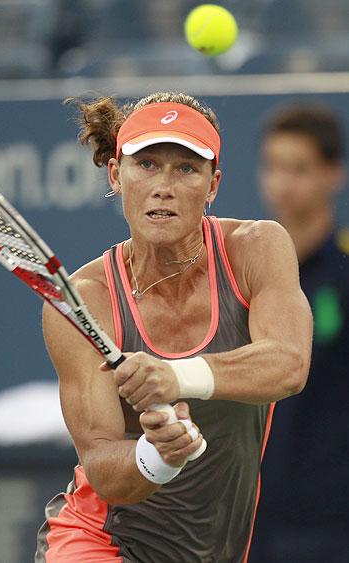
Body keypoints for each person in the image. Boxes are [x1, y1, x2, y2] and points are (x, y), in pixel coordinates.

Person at [35, 92, 313, 563]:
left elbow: (288, 364)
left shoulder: (256, 247)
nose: (163, 185)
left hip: (216, 548)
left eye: (186, 168)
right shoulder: (85, 299)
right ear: (115, 175)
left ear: (213, 186)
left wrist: (176, 375)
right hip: (101, 542)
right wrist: (157, 455)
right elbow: (102, 464)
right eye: (146, 164)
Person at [251, 103, 349, 562]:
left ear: (334, 175)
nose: (281, 184)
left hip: (332, 525)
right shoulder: (246, 276)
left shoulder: (344, 272)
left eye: (299, 169)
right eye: (272, 167)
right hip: (254, 519)